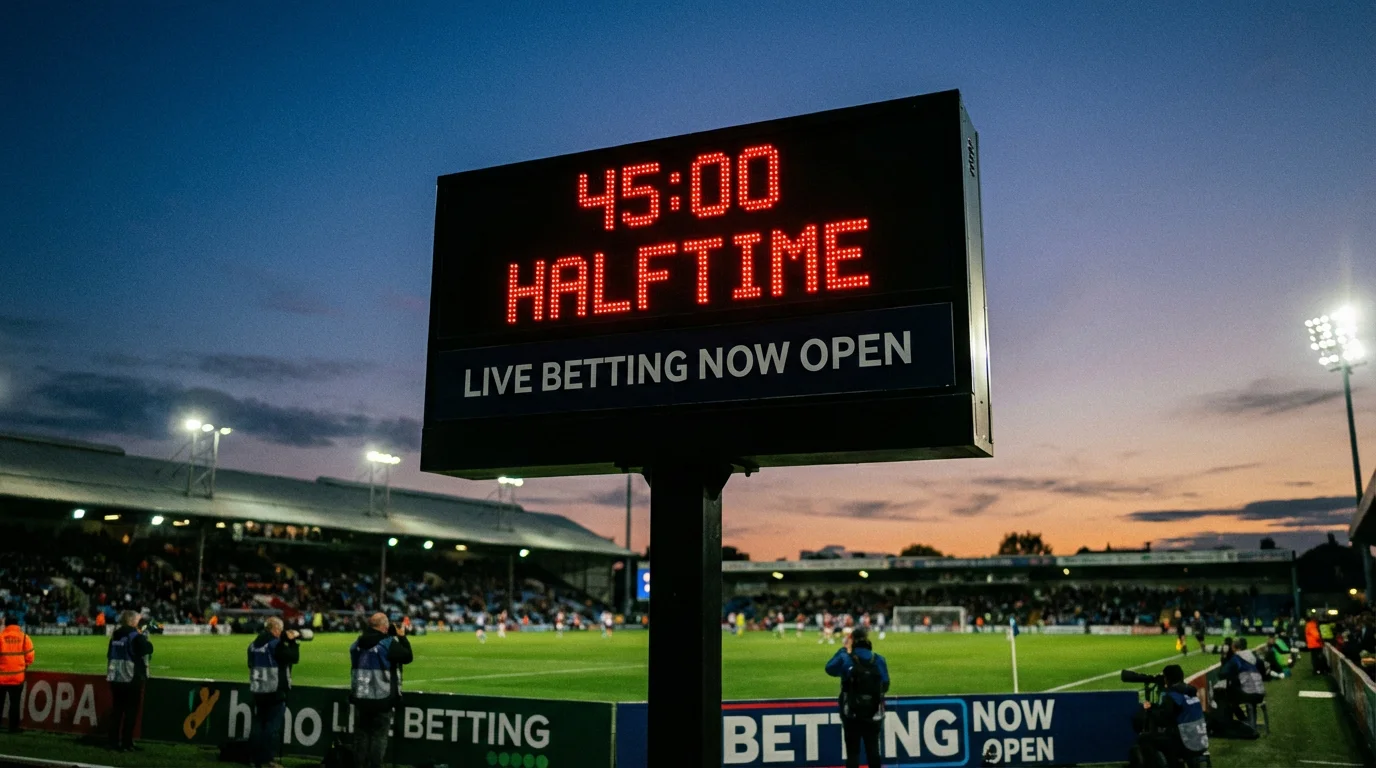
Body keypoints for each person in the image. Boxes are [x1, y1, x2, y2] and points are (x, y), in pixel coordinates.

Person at [349, 612, 413, 768]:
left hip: (361, 696)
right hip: (382, 698)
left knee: (361, 736)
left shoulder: (357, 643)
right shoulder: (387, 643)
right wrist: (402, 637)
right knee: (379, 736)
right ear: (384, 626)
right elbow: (407, 656)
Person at [825, 627, 889, 768]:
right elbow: (885, 685)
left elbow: (829, 668)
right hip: (874, 712)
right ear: (867, 639)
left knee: (852, 752)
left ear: (851, 639)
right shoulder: (878, 659)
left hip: (851, 712)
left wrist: (843, 650)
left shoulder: (847, 658)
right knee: (873, 750)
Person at [247, 617, 300, 768]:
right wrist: (293, 642)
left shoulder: (252, 645)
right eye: (280, 630)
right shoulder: (275, 644)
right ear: (276, 629)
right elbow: (293, 658)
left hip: (258, 689)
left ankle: (254, 759)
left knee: (258, 725)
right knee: (271, 726)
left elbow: (250, 664)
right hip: (274, 690)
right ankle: (267, 759)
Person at [1141, 664, 1209, 765]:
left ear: (1168, 679)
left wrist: (1150, 711)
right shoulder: (1191, 692)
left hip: (1186, 746)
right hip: (1201, 742)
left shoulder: (1173, 696)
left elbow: (1164, 720)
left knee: (1144, 739)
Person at [106, 610, 153, 752]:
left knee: (117, 711)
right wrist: (145, 637)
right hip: (130, 678)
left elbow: (109, 654)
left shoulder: (115, 635)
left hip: (115, 677)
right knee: (131, 712)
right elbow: (148, 649)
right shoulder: (135, 636)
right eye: (138, 620)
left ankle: (113, 742)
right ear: (132, 621)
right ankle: (127, 743)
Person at [1217, 636, 1265, 723]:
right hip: (1261, 693)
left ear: (1234, 648)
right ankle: (1250, 720)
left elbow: (1222, 674)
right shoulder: (1253, 656)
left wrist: (1224, 656)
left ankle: (1243, 721)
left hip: (1250, 694)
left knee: (1226, 696)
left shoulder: (1237, 659)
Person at [0, 615, 34, 733]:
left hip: (1, 677)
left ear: (6, 624)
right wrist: (24, 666)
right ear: (17, 624)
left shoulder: (1, 637)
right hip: (17, 677)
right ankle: (13, 728)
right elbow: (30, 656)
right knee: (15, 703)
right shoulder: (24, 637)